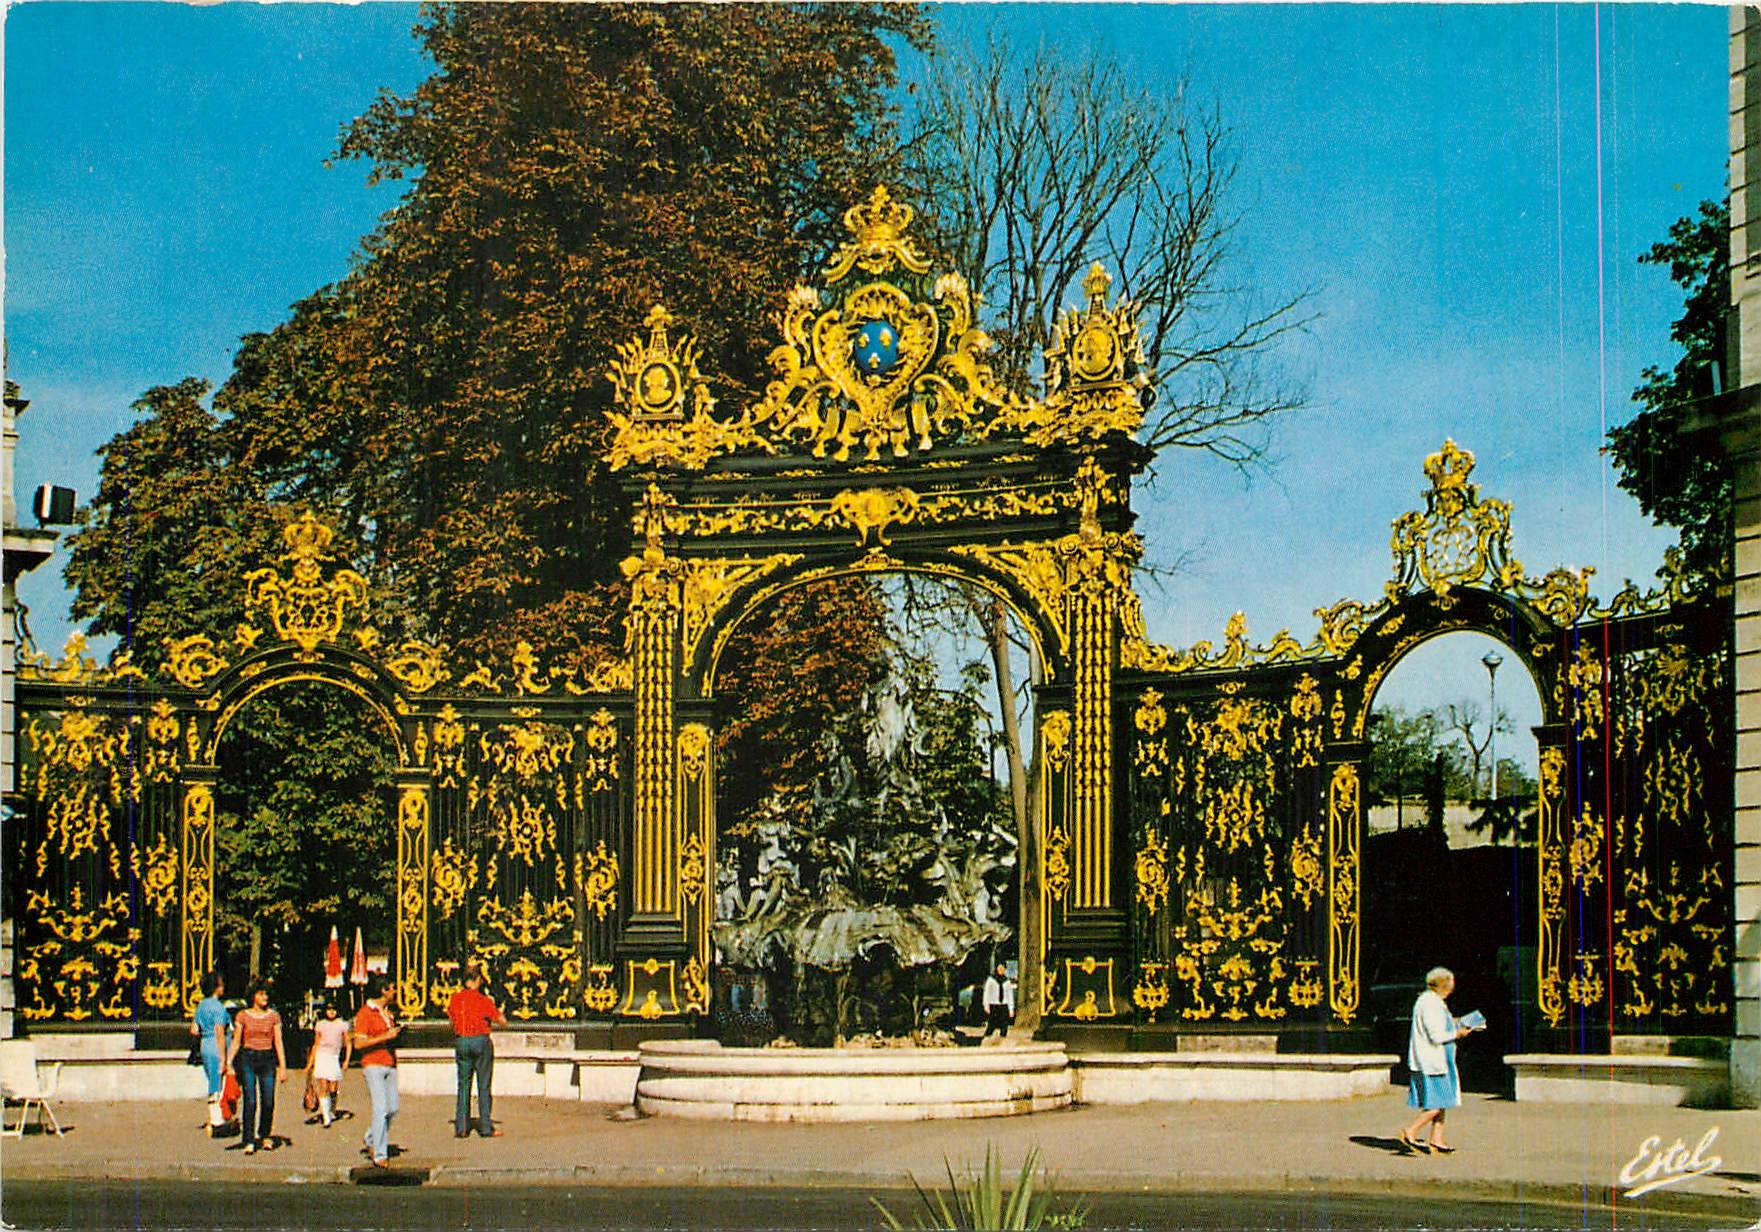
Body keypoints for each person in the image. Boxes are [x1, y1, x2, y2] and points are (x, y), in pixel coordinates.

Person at [1400, 966, 1482, 1154]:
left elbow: (1439, 1023)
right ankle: (1411, 1131)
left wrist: (1458, 1022)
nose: (1452, 989)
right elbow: (1436, 1035)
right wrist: (1458, 1033)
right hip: (1432, 1061)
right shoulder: (1431, 1004)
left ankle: (1437, 1139)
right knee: (1436, 1103)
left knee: (1444, 1100)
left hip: (1437, 1060)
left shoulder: (1431, 1001)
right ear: (1444, 985)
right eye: (1450, 985)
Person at [224, 978, 288, 1156]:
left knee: (268, 1100)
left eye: (266, 994)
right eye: (261, 994)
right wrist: (228, 1062)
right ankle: (249, 1139)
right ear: (253, 996)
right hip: (248, 1059)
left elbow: (278, 1042)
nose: (265, 997)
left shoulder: (273, 1016)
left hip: (267, 1059)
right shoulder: (242, 1016)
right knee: (250, 1100)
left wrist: (283, 1066)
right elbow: (236, 1041)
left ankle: (265, 1134)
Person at [446, 962, 506, 1138]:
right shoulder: (483, 1000)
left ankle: (462, 1127)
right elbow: (502, 1020)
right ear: (478, 980)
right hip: (480, 1040)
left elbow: (451, 1021)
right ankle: (485, 1127)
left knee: (463, 1084)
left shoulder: (455, 999)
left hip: (462, 1040)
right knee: (484, 1084)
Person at [352, 976, 402, 1168]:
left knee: (393, 1107)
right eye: (391, 988)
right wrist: (385, 1037)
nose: (394, 992)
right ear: (382, 990)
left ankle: (371, 1137)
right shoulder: (365, 1013)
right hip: (372, 1063)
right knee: (380, 1108)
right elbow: (359, 1043)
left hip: (390, 1062)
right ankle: (380, 1153)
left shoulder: (387, 1013)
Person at [191, 970, 231, 1135]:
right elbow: (220, 1033)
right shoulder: (219, 1007)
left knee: (212, 1080)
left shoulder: (201, 1006)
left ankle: (216, 1117)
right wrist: (223, 1059)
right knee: (218, 1084)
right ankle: (216, 1120)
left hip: (205, 1045)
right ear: (216, 987)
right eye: (221, 984)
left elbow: (194, 1030)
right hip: (216, 1046)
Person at [305, 1000, 352, 1129]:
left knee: (333, 1088)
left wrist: (346, 1060)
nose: (331, 1012)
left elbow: (348, 1043)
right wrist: (310, 1063)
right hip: (322, 1056)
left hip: (334, 1057)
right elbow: (316, 1044)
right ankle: (326, 1116)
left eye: (334, 1009)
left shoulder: (342, 1024)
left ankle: (332, 1110)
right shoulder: (320, 1025)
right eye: (329, 1009)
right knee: (323, 1086)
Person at [981, 961, 1015, 1041]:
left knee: (1004, 1025)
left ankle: (1002, 1039)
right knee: (992, 1024)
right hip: (994, 1004)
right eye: (999, 968)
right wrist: (986, 1005)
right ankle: (986, 1039)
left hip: (1003, 1005)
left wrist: (1011, 1009)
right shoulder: (991, 980)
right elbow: (987, 993)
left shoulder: (1007, 981)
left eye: (1003, 968)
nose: (1001, 970)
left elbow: (1010, 995)